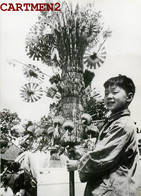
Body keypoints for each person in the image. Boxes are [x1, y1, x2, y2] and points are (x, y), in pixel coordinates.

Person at [67, 75, 141, 196]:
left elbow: (103, 155)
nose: (109, 96)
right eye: (106, 93)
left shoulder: (122, 125)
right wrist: (81, 153)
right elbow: (101, 149)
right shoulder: (112, 122)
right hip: (104, 188)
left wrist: (78, 164)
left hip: (112, 190)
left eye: (115, 92)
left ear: (129, 97)